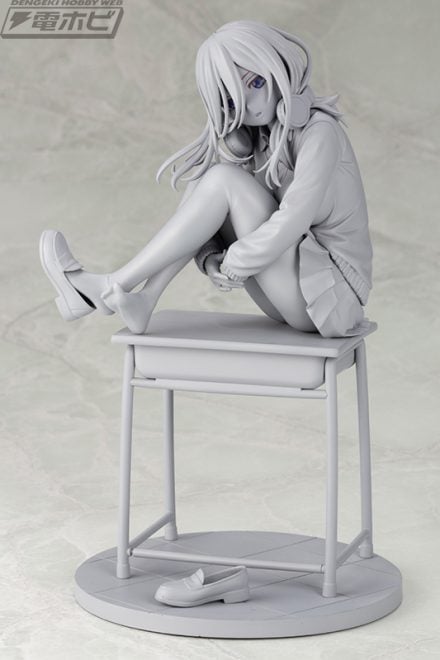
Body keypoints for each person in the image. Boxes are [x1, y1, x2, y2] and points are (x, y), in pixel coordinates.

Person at [40, 20, 373, 337]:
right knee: (206, 178)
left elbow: (294, 217)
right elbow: (206, 213)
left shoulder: (320, 132)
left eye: (256, 83)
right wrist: (211, 256)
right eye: (233, 100)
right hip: (291, 294)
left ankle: (110, 285)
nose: (252, 105)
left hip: (330, 298)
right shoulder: (261, 138)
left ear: (277, 66)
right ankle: (146, 299)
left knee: (223, 180)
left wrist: (237, 259)